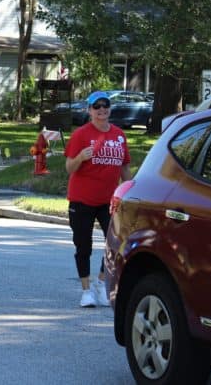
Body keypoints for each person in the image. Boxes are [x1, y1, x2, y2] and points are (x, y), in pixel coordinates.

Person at [64, 90, 131, 308]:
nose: (102, 110)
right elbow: (69, 168)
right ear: (89, 110)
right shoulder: (81, 134)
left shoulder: (119, 135)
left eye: (105, 105)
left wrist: (129, 191)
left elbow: (124, 167)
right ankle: (86, 291)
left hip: (108, 201)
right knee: (83, 246)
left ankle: (102, 285)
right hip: (81, 200)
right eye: (97, 106)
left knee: (113, 245)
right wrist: (81, 157)